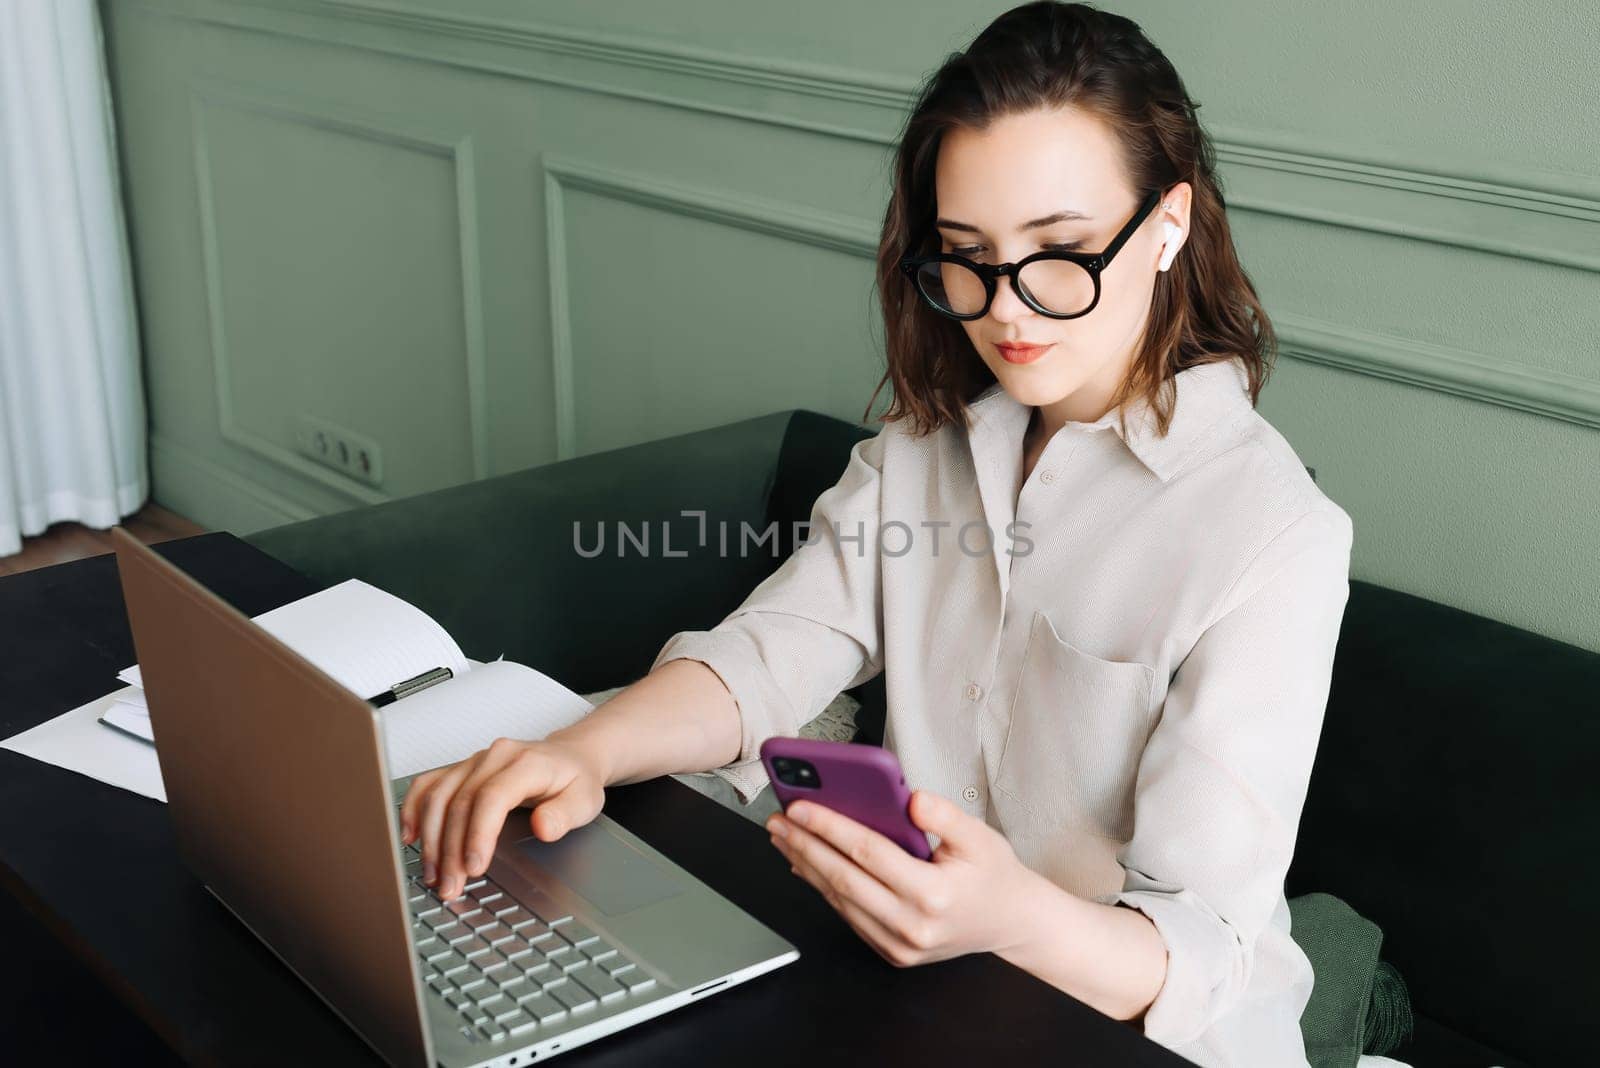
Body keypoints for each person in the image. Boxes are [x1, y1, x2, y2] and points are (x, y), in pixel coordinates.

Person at [399, 3, 1354, 1065]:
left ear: (1168, 223)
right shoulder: (927, 446)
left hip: (1127, 1028)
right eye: (965, 257)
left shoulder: (1275, 538)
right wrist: (578, 749)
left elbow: (1200, 949)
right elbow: (772, 652)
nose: (1005, 312)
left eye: (1059, 253)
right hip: (918, 985)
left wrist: (1007, 916)